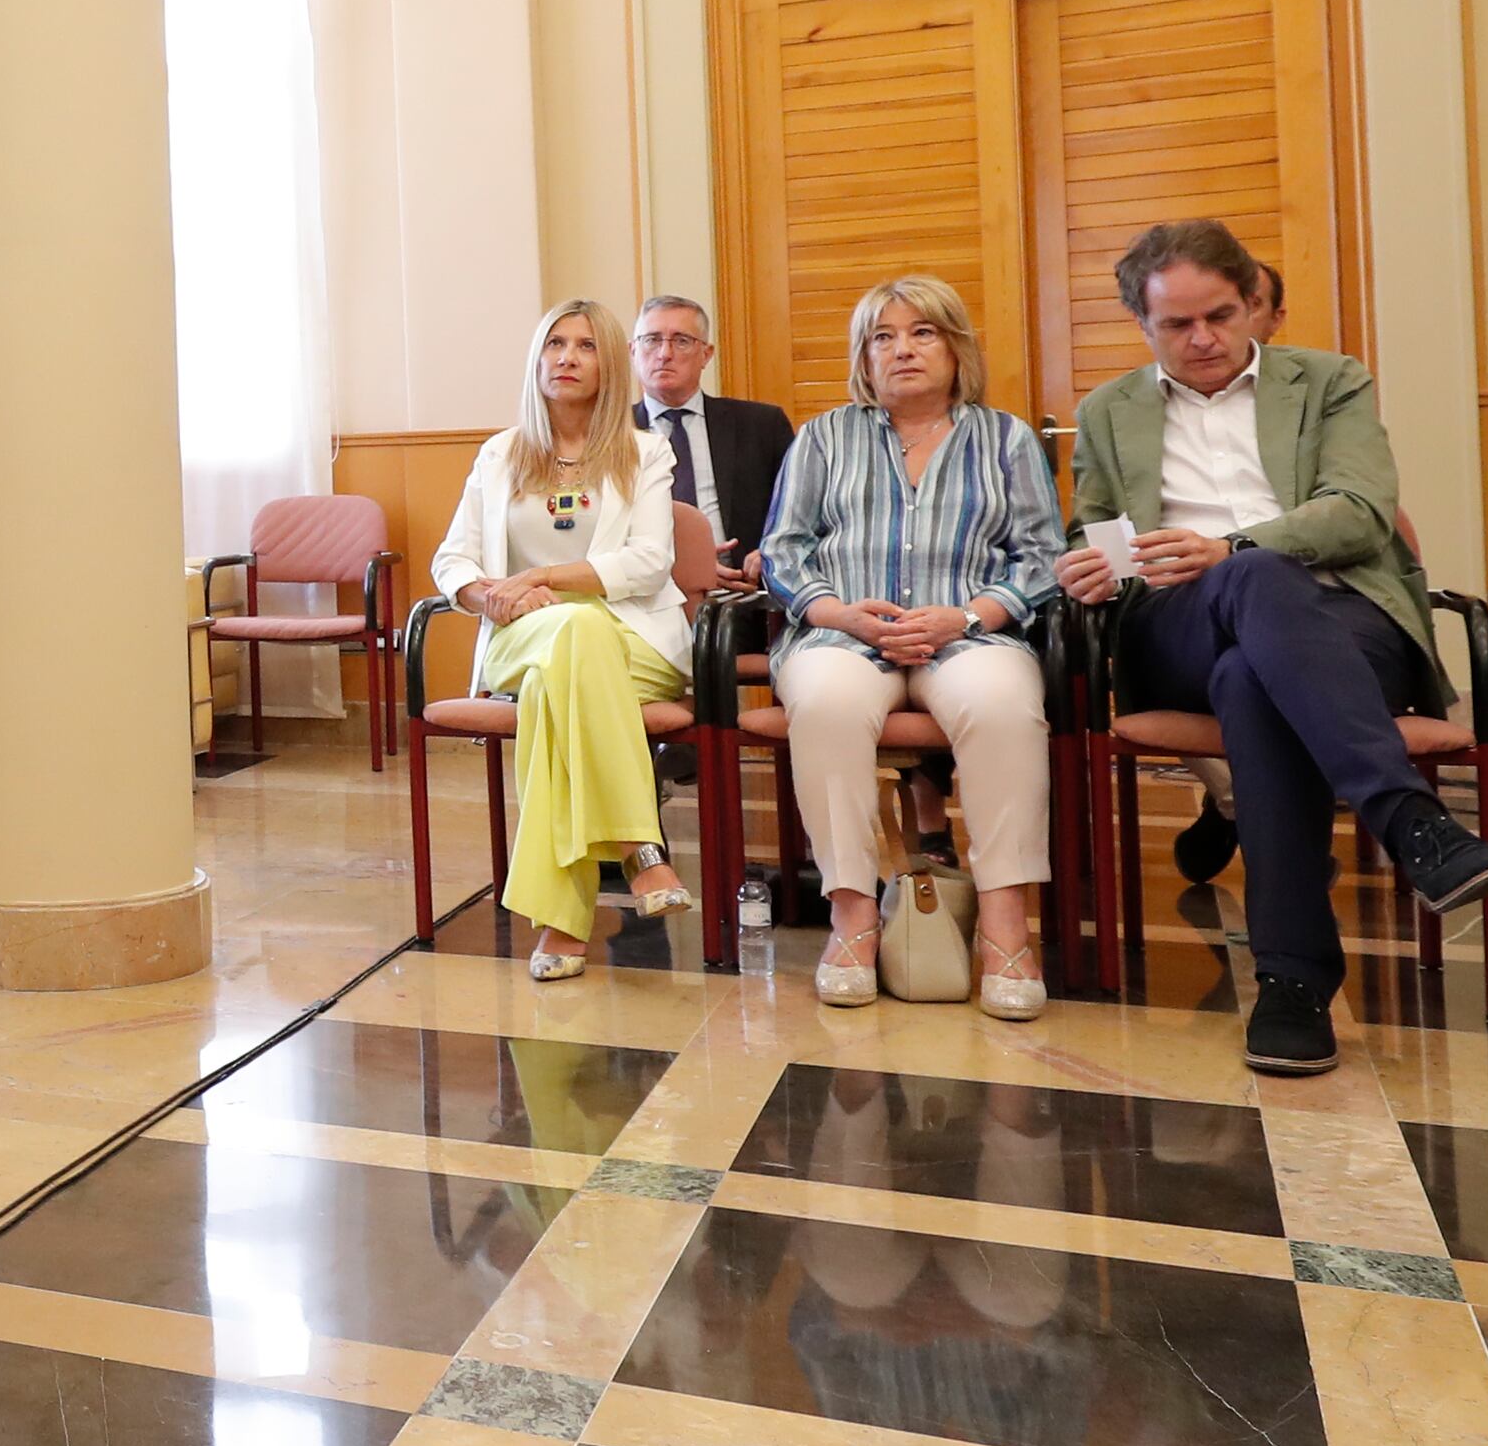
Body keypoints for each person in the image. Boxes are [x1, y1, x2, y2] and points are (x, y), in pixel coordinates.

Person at [1056, 221, 1488, 1080]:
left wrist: (1232, 546)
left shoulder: (1330, 383)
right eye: (1176, 325)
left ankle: (1291, 984)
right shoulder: (1106, 410)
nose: (1202, 339)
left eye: (1220, 316)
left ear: (1252, 308)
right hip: (1175, 623)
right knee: (1251, 588)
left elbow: (1359, 508)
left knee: (1255, 663)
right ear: (1143, 324)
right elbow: (1101, 533)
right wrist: (1092, 568)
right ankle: (1409, 820)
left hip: (1345, 621)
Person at [758, 277, 1065, 1020]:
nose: (901, 349)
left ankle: (1004, 930)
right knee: (826, 702)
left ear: (957, 347)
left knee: (1002, 706)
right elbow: (782, 550)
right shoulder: (825, 436)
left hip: (969, 633)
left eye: (922, 332)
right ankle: (854, 920)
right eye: (882, 336)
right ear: (863, 358)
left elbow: (1041, 557)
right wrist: (843, 615)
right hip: (842, 632)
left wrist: (963, 616)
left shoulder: (1005, 438)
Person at [431, 298, 694, 982]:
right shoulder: (499, 454)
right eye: (555, 344)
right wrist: (490, 593)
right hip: (522, 634)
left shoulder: (644, 451)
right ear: (537, 359)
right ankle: (639, 844)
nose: (567, 357)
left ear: (609, 362)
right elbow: (451, 560)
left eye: (585, 345)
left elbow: (649, 563)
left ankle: (562, 920)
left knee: (561, 682)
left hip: (634, 640)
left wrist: (543, 575)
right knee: (570, 634)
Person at [630, 294, 791, 583]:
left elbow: (799, 513)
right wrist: (685, 566)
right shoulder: (609, 435)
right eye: (652, 340)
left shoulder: (762, 425)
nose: (664, 353)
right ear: (633, 351)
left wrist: (770, 552)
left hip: (743, 587)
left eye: (680, 341)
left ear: (706, 354)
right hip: (646, 589)